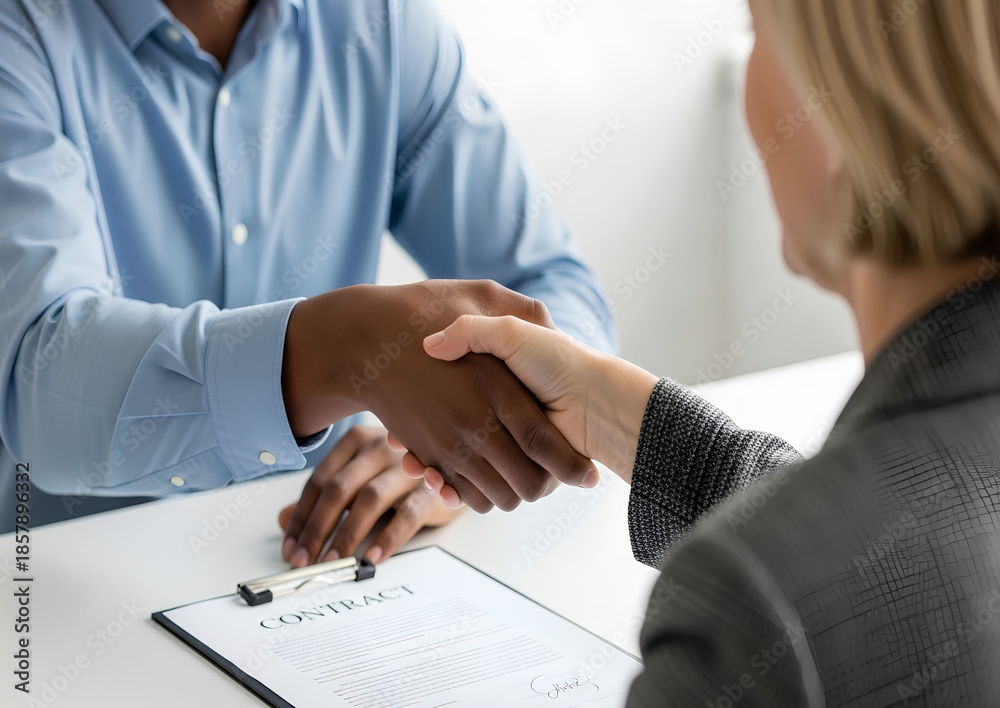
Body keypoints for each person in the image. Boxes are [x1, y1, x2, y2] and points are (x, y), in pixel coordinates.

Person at [404, 0, 1000, 703]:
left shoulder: (749, 609)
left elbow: (839, 581)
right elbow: (899, 545)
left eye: (758, 34)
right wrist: (611, 413)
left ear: (843, 112)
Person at [0, 0, 616, 568]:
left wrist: (445, 459)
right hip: (55, 589)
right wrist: (338, 350)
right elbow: (36, 390)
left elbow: (553, 292)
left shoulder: (384, 24)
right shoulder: (21, 33)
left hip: (333, 572)